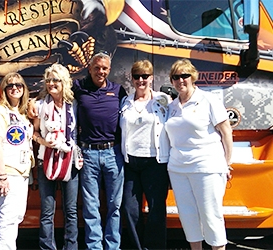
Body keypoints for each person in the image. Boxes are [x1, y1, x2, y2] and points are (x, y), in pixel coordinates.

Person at [164, 59, 233, 250]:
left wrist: (227, 163)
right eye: (176, 77)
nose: (180, 80)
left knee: (211, 216)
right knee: (187, 216)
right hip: (178, 169)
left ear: (193, 77)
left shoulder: (208, 100)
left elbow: (226, 132)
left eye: (184, 75)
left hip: (207, 167)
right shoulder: (172, 106)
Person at [73, 52, 127, 249]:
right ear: (90, 69)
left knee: (115, 205)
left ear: (109, 70)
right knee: (91, 206)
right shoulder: (79, 87)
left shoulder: (118, 90)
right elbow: (57, 95)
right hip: (88, 154)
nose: (100, 72)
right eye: (97, 68)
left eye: (104, 68)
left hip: (114, 154)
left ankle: (113, 246)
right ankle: (94, 246)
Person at [119, 60, 170, 249]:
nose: (141, 80)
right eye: (137, 76)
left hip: (154, 162)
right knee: (130, 209)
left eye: (145, 76)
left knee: (156, 209)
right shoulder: (126, 101)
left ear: (152, 78)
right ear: (132, 79)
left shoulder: (162, 100)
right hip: (131, 162)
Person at [32, 63, 81, 249]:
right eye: (49, 80)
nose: (52, 83)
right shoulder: (40, 105)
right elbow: (34, 132)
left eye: (56, 80)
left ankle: (71, 246)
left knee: (71, 210)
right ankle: (47, 247)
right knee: (47, 210)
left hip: (70, 160)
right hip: (46, 159)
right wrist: (44, 142)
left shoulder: (74, 104)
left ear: (64, 82)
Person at [0, 72, 33, 250]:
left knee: (17, 216)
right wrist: (2, 175)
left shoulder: (21, 113)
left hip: (22, 172)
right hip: (9, 172)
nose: (15, 88)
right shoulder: (0, 111)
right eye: (10, 85)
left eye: (19, 85)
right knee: (7, 217)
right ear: (4, 90)